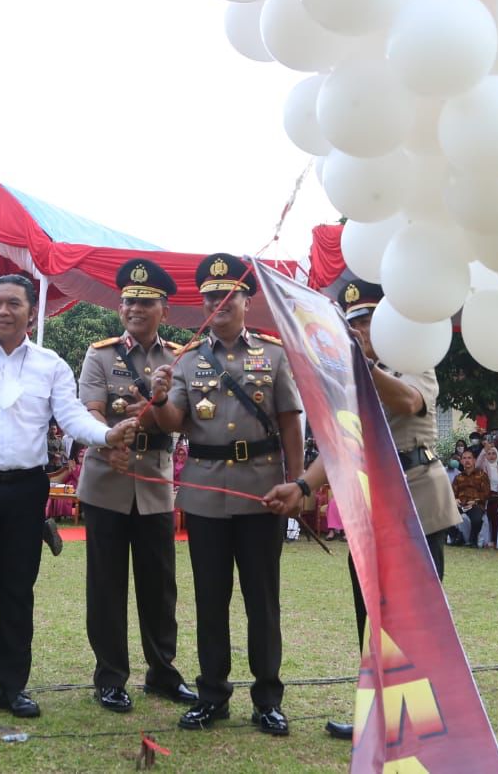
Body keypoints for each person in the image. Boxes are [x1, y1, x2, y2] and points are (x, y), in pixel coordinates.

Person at [0, 273, 140, 720]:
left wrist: (107, 434)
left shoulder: (50, 365)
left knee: (18, 592)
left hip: (26, 491)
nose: (2, 311)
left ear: (30, 311)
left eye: (13, 304)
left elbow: (73, 418)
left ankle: (14, 687)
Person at [263, 278, 457, 741]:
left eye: (369, 322)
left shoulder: (414, 360)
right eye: (354, 324)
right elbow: (337, 444)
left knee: (415, 616)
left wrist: (364, 367)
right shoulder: (343, 375)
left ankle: (419, 719)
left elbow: (410, 401)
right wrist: (300, 486)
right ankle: (379, 712)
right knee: (369, 614)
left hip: (416, 502)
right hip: (368, 506)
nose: (362, 332)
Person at [151, 254, 303, 737]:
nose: (218, 303)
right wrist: (157, 399)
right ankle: (212, 695)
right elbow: (174, 422)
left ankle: (267, 698)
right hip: (205, 489)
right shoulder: (187, 359)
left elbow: (289, 421)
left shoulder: (273, 354)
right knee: (210, 600)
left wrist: (299, 485)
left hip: (263, 490)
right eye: (211, 296)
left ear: (244, 300)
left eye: (227, 295)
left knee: (263, 600)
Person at [75, 258, 195, 714]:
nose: (134, 308)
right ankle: (110, 677)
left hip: (154, 481)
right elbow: (90, 409)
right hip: (107, 479)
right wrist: (108, 443)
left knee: (159, 586)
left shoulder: (180, 357)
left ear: (164, 307)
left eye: (144, 301)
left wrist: (160, 399)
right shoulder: (99, 353)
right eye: (127, 301)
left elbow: (177, 420)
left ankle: (162, 673)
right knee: (105, 586)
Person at [451, 449, 492, 547]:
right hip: (461, 504)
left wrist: (475, 501)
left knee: (477, 519)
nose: (467, 460)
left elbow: (486, 493)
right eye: (464, 458)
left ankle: (472, 540)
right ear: (461, 461)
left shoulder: (482, 475)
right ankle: (457, 536)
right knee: (445, 514)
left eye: (469, 458)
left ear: (474, 460)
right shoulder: (458, 477)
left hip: (475, 504)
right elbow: (452, 493)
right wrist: (455, 500)